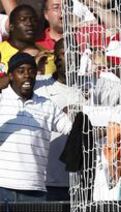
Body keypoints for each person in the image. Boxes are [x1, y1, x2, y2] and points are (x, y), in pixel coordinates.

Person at [0, 52, 72, 202]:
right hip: (2, 187)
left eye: (31, 71)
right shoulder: (1, 99)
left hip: (35, 189)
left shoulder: (47, 105)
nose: (27, 75)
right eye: (21, 71)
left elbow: (73, 129)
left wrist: (108, 128)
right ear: (11, 76)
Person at [34, 39, 85, 201]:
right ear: (55, 58)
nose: (70, 57)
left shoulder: (91, 85)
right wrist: (34, 67)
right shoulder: (39, 85)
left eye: (74, 53)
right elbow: (8, 89)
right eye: (64, 53)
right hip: (46, 181)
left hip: (81, 182)